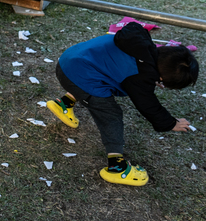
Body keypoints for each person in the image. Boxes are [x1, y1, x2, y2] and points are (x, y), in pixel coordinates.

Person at [47, 22, 197, 187]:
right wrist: (170, 123)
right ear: (163, 79)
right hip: (76, 75)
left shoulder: (140, 40)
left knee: (101, 81)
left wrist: (152, 76)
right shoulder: (140, 77)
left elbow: (131, 53)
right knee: (111, 114)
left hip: (69, 60)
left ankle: (64, 103)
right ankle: (116, 167)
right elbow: (148, 105)